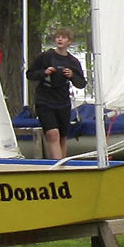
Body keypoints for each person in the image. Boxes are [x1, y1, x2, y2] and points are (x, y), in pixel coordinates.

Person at [25, 27, 87, 160]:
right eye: (58, 37)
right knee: (53, 134)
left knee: (63, 137)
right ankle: (57, 165)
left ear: (69, 42)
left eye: (63, 37)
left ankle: (63, 166)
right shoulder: (46, 56)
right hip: (45, 99)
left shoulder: (73, 61)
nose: (60, 39)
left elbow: (81, 83)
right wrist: (44, 72)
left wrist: (72, 75)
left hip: (63, 101)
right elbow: (30, 74)